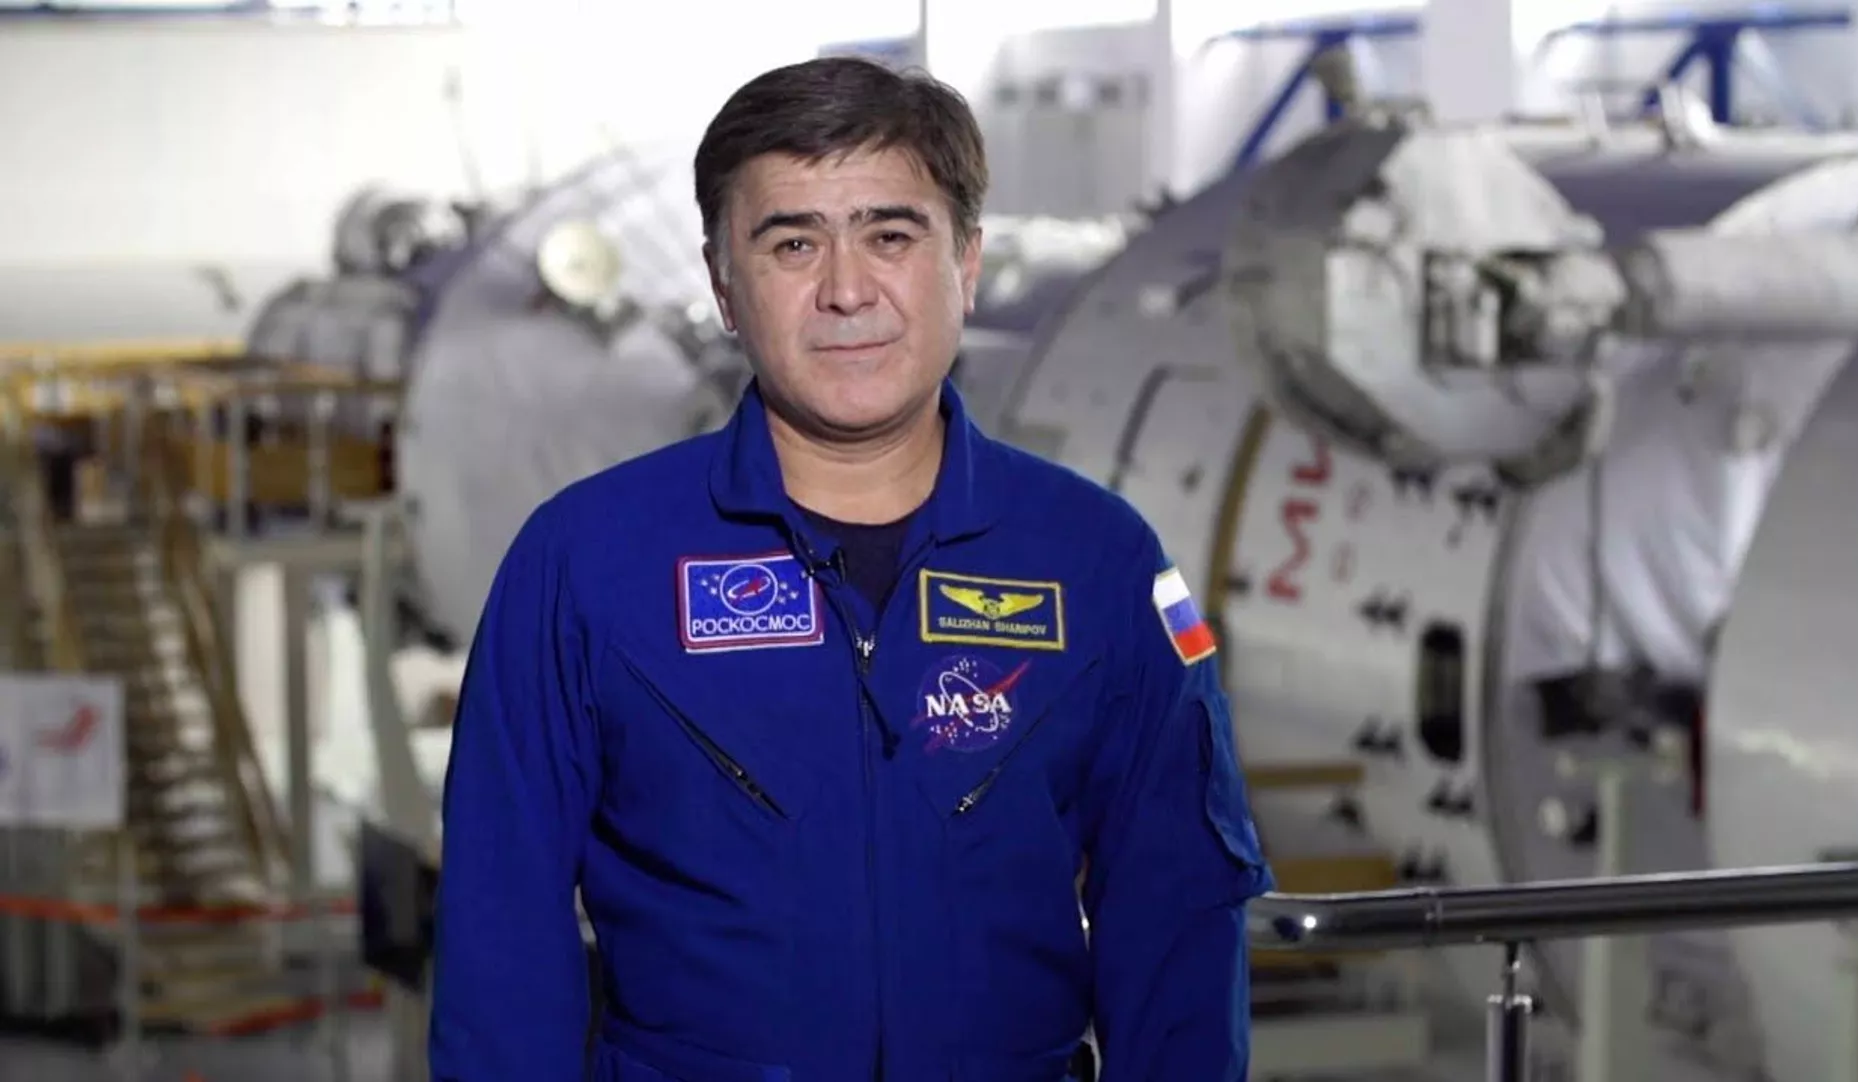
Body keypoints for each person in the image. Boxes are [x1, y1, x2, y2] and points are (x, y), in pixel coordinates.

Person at [427, 55, 1274, 1082]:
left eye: (891, 236)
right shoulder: (585, 565)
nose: (846, 290)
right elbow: (501, 943)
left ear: (966, 262)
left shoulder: (1098, 561)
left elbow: (1178, 917)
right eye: (793, 243)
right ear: (722, 284)